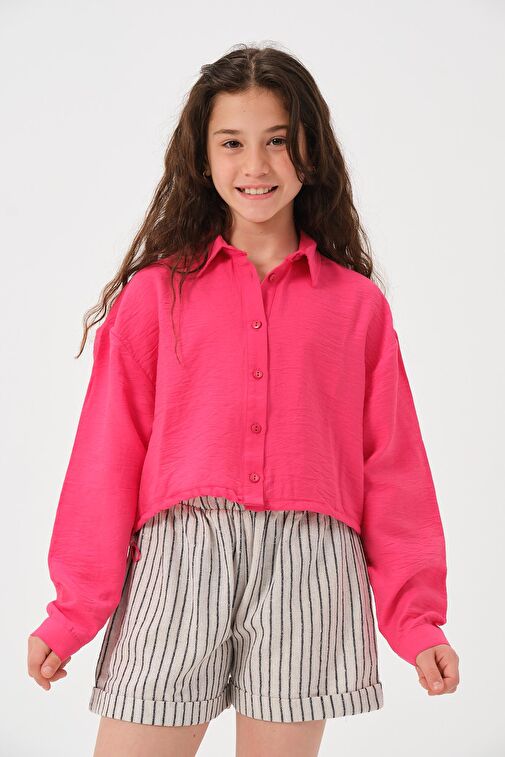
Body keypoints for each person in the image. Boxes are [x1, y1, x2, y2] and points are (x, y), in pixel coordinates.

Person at [27, 43, 459, 757]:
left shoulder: (356, 306)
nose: (255, 165)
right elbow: (106, 458)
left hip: (308, 565)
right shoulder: (154, 297)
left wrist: (415, 621)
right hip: (179, 557)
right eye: (232, 143)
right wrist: (73, 611)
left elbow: (393, 467)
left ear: (310, 152)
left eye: (277, 141)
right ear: (202, 158)